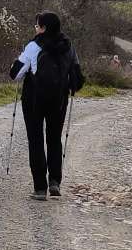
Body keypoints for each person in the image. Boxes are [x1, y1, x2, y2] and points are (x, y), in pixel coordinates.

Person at [10, 11, 85, 200]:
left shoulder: (33, 46)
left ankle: (40, 188)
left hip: (34, 100)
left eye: (37, 25)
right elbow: (77, 79)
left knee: (35, 140)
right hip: (58, 100)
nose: (35, 28)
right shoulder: (68, 46)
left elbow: (15, 74)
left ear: (43, 28)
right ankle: (55, 181)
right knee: (54, 139)